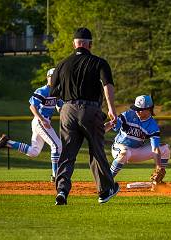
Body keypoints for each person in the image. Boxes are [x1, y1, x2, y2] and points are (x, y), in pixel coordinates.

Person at [50, 27, 119, 205]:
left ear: (74, 44)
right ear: (90, 44)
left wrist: (64, 108)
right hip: (90, 110)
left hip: (67, 110)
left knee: (67, 153)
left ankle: (62, 191)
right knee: (96, 150)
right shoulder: (99, 62)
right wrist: (111, 108)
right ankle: (104, 191)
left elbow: (53, 91)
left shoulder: (62, 64)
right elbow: (107, 85)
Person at [0, 68, 64, 182]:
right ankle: (55, 176)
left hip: (44, 121)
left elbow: (61, 107)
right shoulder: (43, 90)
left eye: (55, 76)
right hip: (41, 120)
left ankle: (8, 142)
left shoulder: (57, 92)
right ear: (47, 77)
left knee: (34, 152)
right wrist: (42, 120)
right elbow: (32, 106)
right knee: (57, 145)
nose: (53, 78)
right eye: (51, 76)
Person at [105, 95, 171, 191]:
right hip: (119, 147)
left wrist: (159, 167)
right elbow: (112, 124)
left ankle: (157, 183)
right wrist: (105, 127)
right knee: (124, 151)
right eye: (136, 108)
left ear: (148, 109)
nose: (137, 111)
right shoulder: (128, 115)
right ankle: (107, 181)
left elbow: (155, 148)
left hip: (136, 151)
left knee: (165, 148)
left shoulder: (152, 125)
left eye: (140, 109)